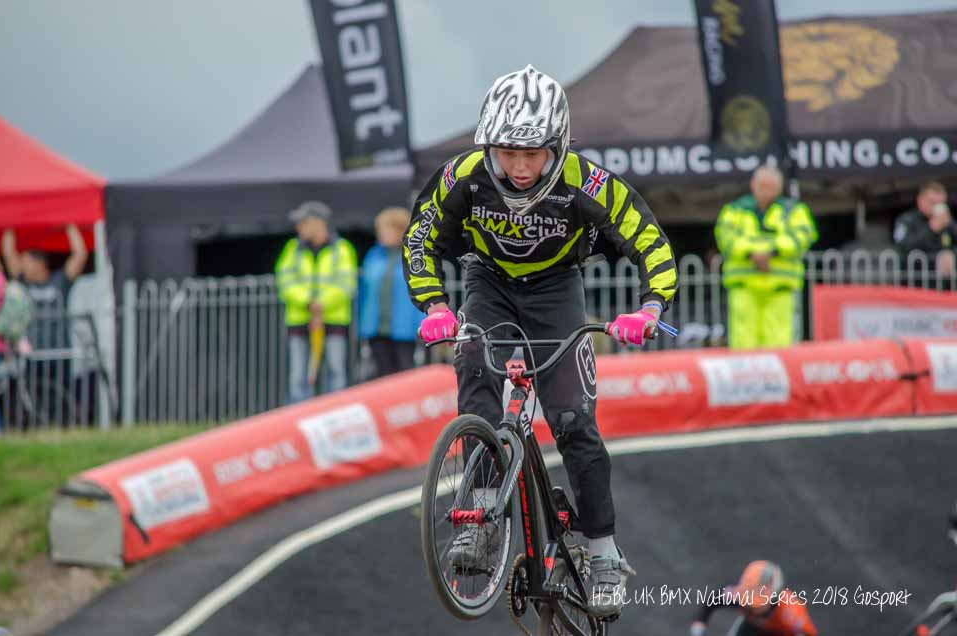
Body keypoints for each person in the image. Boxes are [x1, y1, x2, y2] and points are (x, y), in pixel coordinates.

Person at [402, 65, 678, 618]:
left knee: (573, 419)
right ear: (489, 145)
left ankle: (603, 550)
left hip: (557, 291)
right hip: (488, 282)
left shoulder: (587, 182)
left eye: (533, 153)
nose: (521, 167)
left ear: (558, 145)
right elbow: (419, 239)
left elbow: (649, 239)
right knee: (474, 362)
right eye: (508, 153)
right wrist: (434, 306)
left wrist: (650, 309)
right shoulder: (462, 177)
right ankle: (481, 512)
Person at [714, 166, 817, 349]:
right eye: (762, 186)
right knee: (743, 342)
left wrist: (773, 252)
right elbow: (725, 237)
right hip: (744, 286)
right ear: (753, 185)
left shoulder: (794, 210)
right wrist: (752, 254)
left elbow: (803, 236)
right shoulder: (734, 210)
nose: (765, 192)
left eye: (770, 187)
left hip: (779, 287)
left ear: (779, 187)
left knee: (779, 342)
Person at [275, 201, 357, 402]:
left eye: (303, 222)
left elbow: (346, 284)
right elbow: (284, 281)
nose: (298, 227)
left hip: (333, 321)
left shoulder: (342, 249)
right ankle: (299, 415)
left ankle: (336, 414)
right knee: (298, 376)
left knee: (336, 372)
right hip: (299, 321)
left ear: (319, 223)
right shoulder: (292, 249)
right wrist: (308, 301)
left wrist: (321, 303)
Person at [358, 207, 424, 378]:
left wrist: (422, 327)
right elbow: (364, 291)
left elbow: (423, 293)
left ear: (400, 230)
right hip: (376, 328)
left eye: (385, 229)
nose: (380, 234)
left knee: (405, 375)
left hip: (405, 330)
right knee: (381, 376)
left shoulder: (415, 256)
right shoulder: (373, 255)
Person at [0, 224, 88, 350]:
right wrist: (12, 222)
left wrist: (69, 225)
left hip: (59, 351)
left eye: (26, 262)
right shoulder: (23, 282)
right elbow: (8, 252)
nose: (22, 266)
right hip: (30, 353)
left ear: (40, 264)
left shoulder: (60, 280)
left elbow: (80, 255)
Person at [690, 560, 818, 636]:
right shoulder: (737, 595)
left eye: (757, 603)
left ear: (774, 598)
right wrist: (699, 625)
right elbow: (713, 600)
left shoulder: (791, 614)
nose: (750, 607)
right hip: (751, 628)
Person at [893, 181, 956, 276]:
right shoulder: (907, 220)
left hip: (943, 281)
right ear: (920, 200)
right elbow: (903, 248)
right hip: (914, 278)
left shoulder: (948, 222)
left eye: (941, 203)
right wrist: (931, 229)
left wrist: (952, 254)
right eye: (932, 203)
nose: (937, 207)